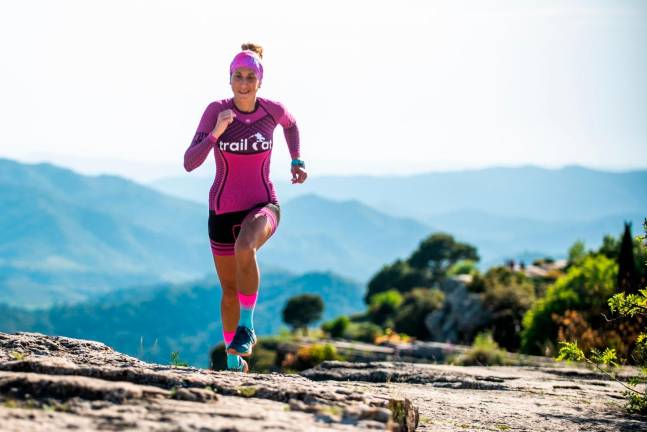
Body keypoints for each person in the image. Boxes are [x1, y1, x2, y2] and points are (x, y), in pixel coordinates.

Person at [183, 43, 307, 372]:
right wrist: (216, 133)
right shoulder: (216, 111)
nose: (243, 82)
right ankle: (233, 358)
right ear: (230, 79)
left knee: (246, 246)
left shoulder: (271, 110)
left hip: (264, 203)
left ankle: (247, 326)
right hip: (222, 210)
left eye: (250, 76)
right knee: (228, 290)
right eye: (238, 76)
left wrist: (296, 158)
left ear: (260, 80)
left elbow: (291, 125)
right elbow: (189, 163)